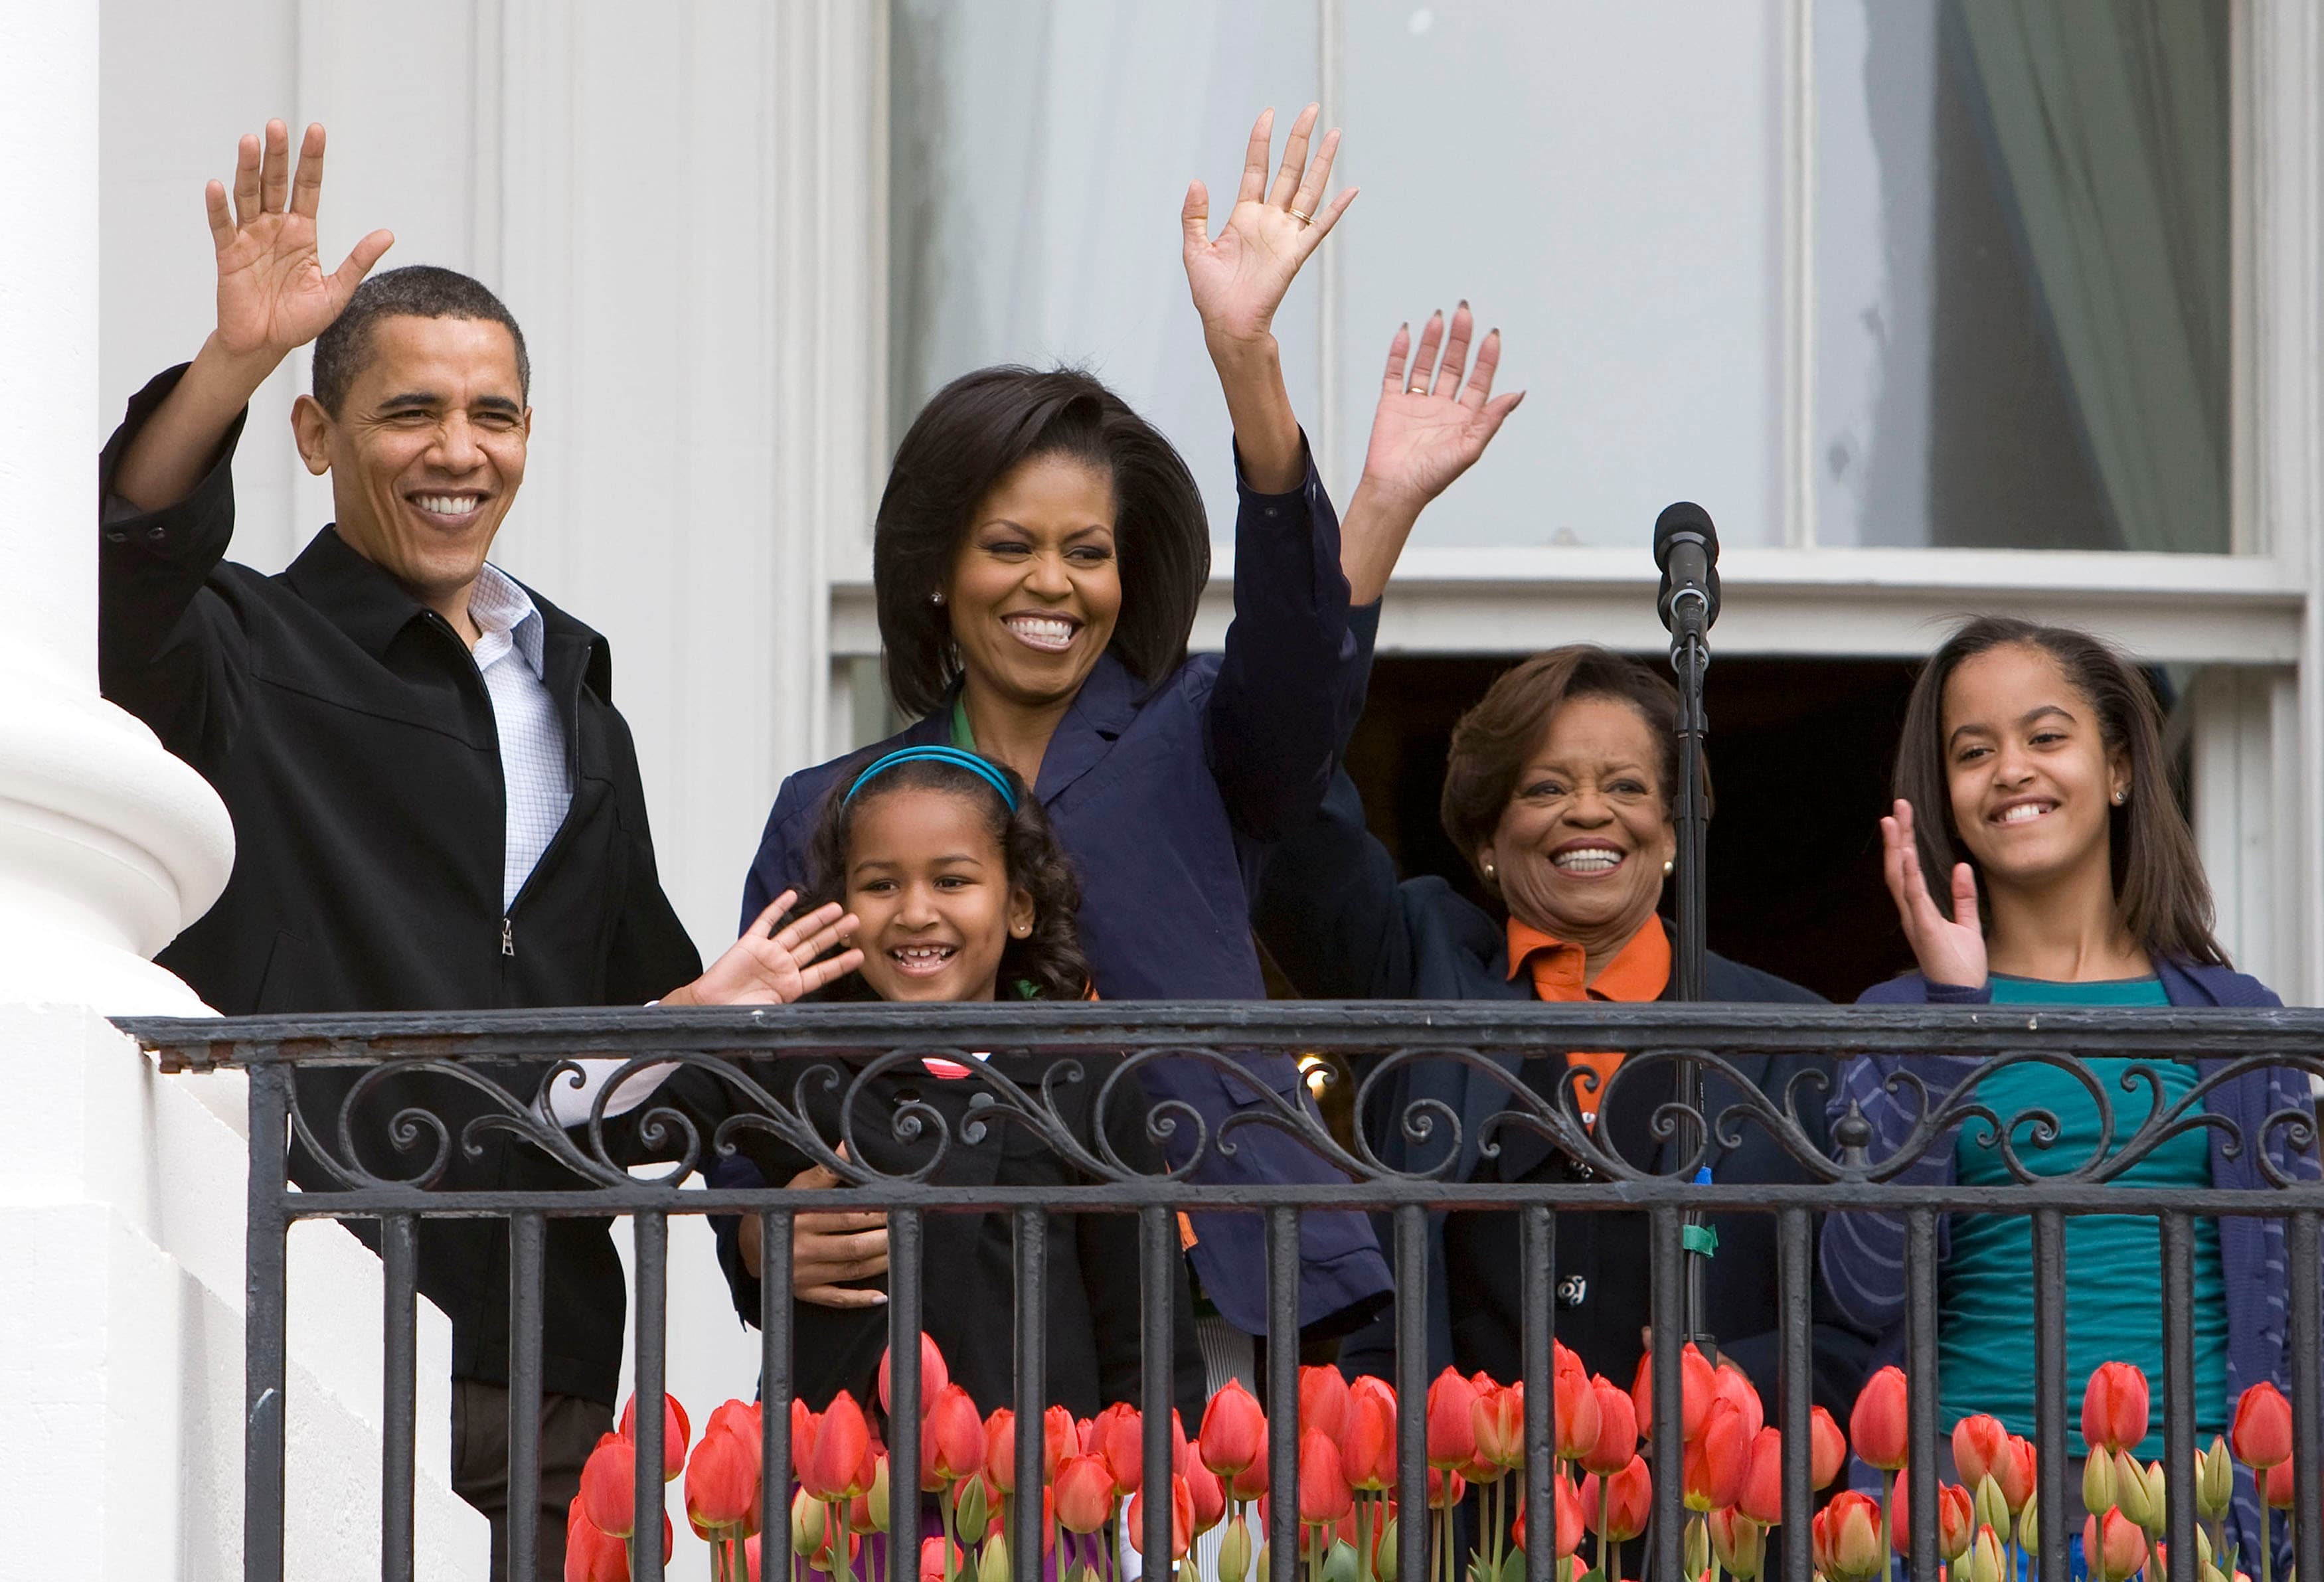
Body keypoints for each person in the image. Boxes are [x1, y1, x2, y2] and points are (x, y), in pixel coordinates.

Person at [94, 119, 792, 1580]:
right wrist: (228, 360)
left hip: (545, 1332)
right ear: (315, 435)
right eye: (411, 412)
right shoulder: (239, 644)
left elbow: (631, 997)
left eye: (497, 414)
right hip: (316, 1289)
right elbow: (126, 560)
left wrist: (786, 1192)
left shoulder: (571, 689)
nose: (460, 451)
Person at [736, 107, 1517, 1370]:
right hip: (951, 1321)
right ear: (939, 571)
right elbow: (764, 1081)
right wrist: (757, 1232)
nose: (1053, 583)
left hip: (1219, 1292)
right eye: (1011, 547)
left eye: (1087, 553)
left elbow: (1301, 666)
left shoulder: (1199, 735)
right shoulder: (829, 808)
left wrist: (1246, 360)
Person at [1254, 646, 1874, 1421]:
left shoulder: (1795, 1041)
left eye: (1626, 786)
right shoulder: (1418, 981)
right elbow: (1287, 796)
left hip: (1712, 1520)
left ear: (1672, 830)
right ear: (1485, 838)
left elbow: (1868, 1326)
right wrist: (1363, 532)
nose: (1588, 812)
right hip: (1459, 1518)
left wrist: (1733, 1383)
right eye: (1546, 787)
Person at [1821, 617, 2319, 1559]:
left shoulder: (2239, 1016)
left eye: (2046, 737)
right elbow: (1860, 1287)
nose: (2011, 768)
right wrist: (1953, 1017)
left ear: (2121, 768)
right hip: (1962, 1523)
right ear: (1947, 796)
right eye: (1974, 750)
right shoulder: (1899, 1015)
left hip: (2205, 1519)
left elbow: (2302, 1292)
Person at [706, 746, 1206, 1427]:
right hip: (842, 1505)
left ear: (1020, 907)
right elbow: (635, 1121)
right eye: (880, 885)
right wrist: (706, 1013)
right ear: (841, 905)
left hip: (1038, 1500)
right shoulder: (797, 1066)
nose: (914, 911)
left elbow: (1143, 1334)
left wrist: (1154, 1502)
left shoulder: (1083, 1081)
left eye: (951, 881)